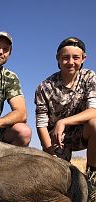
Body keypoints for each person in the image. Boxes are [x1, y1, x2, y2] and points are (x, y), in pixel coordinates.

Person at [35, 36, 96, 178]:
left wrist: (62, 122)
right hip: (55, 140)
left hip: (82, 134)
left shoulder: (89, 77)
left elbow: (93, 111)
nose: (70, 62)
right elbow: (41, 125)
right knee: (56, 178)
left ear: (83, 58)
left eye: (76, 57)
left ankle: (91, 177)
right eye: (65, 57)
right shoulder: (44, 87)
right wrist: (51, 152)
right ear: (58, 58)